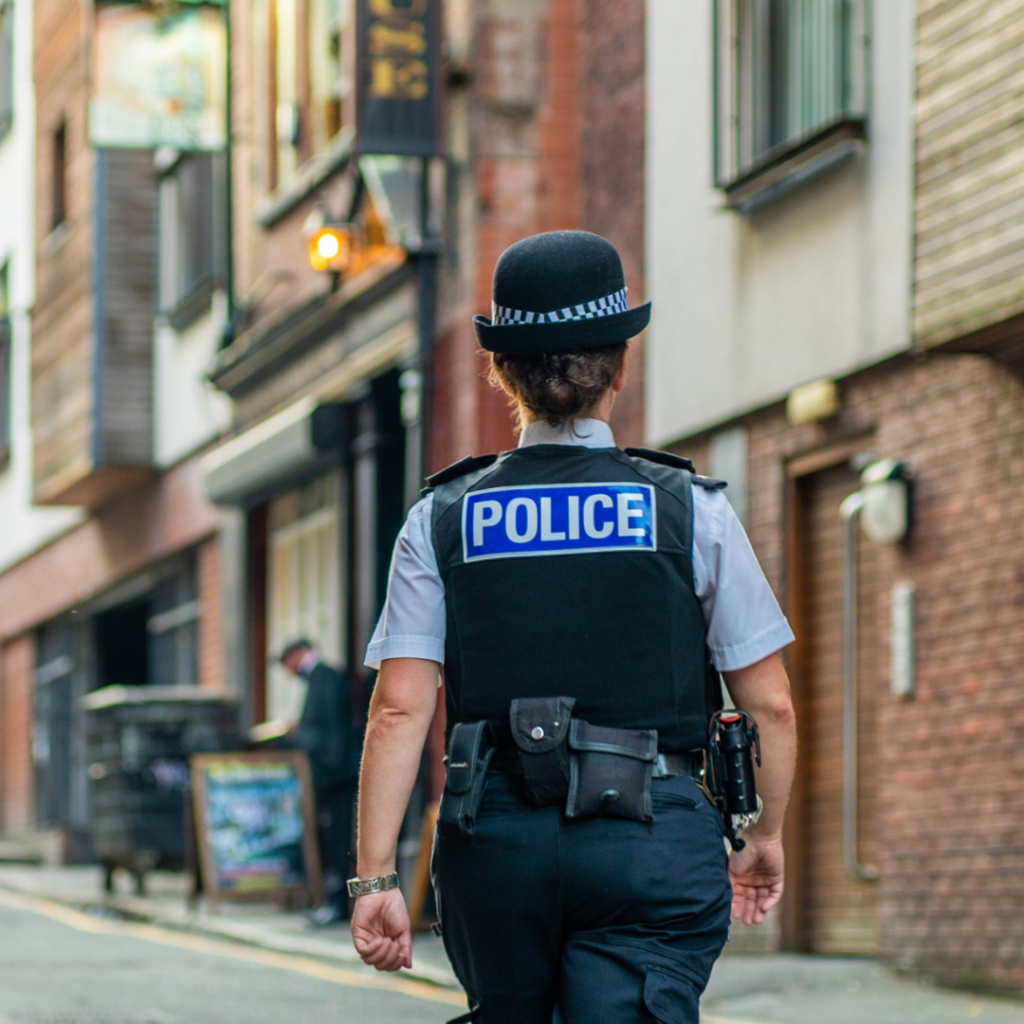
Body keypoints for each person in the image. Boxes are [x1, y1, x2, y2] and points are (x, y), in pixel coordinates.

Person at [349, 231, 797, 1023]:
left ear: (502, 374)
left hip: (495, 850)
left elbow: (399, 710)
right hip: (654, 843)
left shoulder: (441, 517)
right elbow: (772, 706)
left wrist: (376, 877)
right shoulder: (689, 509)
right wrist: (762, 833)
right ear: (621, 365)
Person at [278, 638, 358, 926]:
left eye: (287, 663)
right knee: (333, 840)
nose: (288, 671)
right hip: (334, 775)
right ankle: (335, 903)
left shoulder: (323, 676)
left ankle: (338, 905)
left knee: (337, 841)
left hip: (334, 777)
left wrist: (299, 737)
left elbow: (329, 733)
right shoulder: (324, 677)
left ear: (297, 654)